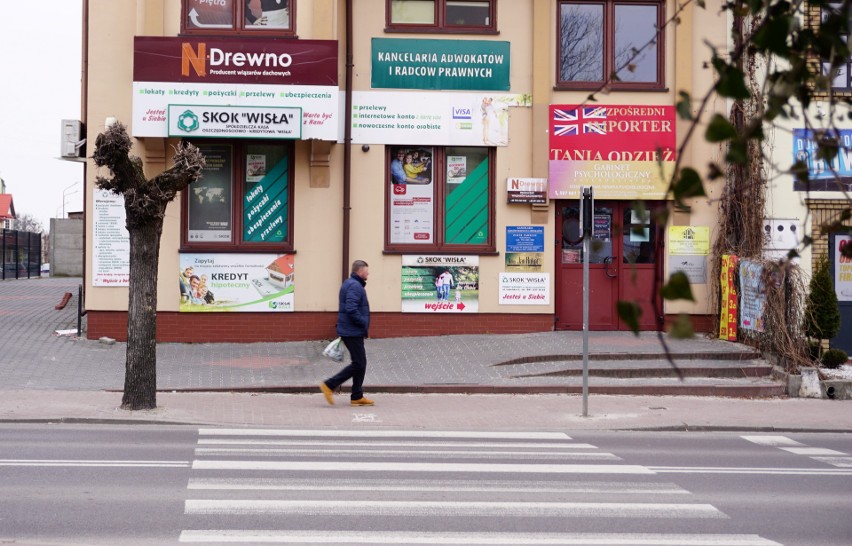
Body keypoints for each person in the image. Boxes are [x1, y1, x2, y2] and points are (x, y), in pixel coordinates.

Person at [320, 260, 374, 406]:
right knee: (359, 364)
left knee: (360, 363)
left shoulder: (351, 284)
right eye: (366, 271)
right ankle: (329, 385)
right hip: (352, 331)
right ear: (360, 271)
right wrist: (363, 322)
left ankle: (357, 396)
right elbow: (351, 308)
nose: (368, 273)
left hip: (352, 330)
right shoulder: (355, 286)